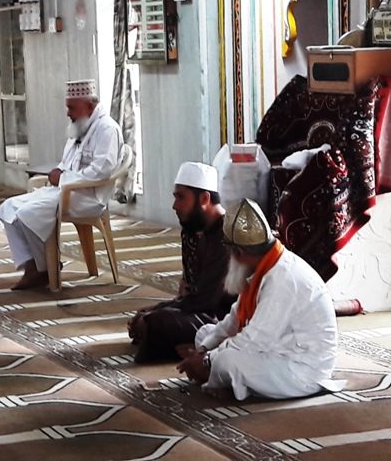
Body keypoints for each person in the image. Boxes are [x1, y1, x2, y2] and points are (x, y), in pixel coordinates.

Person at [178, 198, 344, 400]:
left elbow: (254, 340)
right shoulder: (262, 268)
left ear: (239, 252)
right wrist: (204, 350)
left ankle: (222, 378)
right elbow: (233, 322)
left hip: (301, 368)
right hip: (275, 348)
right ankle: (224, 378)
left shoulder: (283, 279)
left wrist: (207, 360)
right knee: (205, 334)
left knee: (227, 361)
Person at [0, 79, 123, 290]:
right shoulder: (80, 126)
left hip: (88, 197)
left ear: (89, 106)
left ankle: (45, 268)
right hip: (64, 191)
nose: (68, 113)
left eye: (71, 107)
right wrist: (57, 176)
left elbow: (102, 171)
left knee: (27, 213)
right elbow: (66, 164)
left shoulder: (106, 129)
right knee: (8, 208)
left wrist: (62, 179)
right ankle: (35, 266)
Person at [128, 162, 235, 363]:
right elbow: (188, 290)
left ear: (204, 199)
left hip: (227, 319)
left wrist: (157, 312)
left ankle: (204, 347)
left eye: (180, 197)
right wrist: (155, 309)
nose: (174, 205)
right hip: (203, 312)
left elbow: (205, 300)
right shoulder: (192, 229)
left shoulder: (226, 235)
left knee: (157, 322)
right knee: (152, 318)